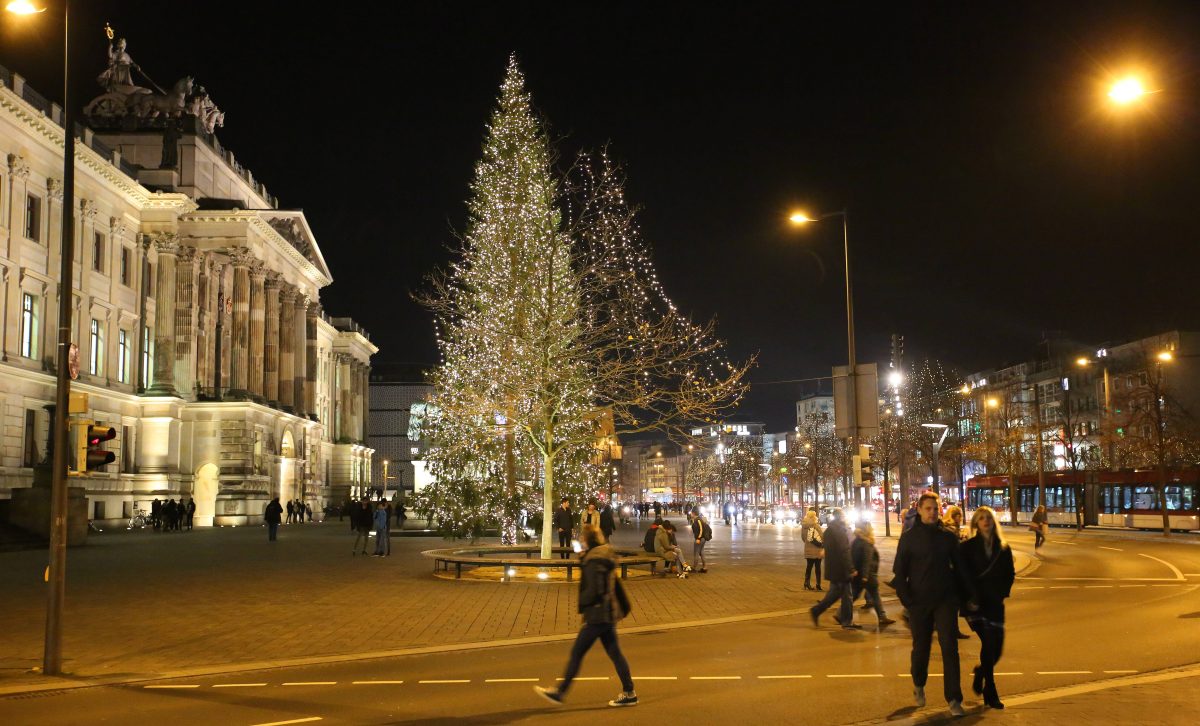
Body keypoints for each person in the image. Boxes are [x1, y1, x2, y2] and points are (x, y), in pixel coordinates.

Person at [535, 525, 637, 707]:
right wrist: (585, 561)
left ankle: (560, 692)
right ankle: (629, 692)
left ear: (588, 540)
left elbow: (594, 588)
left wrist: (584, 601)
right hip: (608, 613)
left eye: (582, 538)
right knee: (615, 653)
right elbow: (608, 582)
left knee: (577, 653)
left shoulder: (594, 559)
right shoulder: (603, 555)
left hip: (597, 615)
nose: (581, 541)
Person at [893, 491, 974, 717]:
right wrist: (907, 600)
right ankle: (919, 683)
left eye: (935, 509)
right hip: (919, 602)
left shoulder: (947, 537)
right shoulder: (909, 538)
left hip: (945, 600)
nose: (932, 513)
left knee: (950, 649)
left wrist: (967, 595)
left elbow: (960, 569)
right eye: (927, 508)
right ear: (919, 510)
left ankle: (954, 699)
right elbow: (900, 572)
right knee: (921, 648)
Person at [961, 506, 1015, 710]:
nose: (985, 521)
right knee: (989, 642)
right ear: (976, 522)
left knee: (996, 649)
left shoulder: (1003, 547)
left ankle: (981, 672)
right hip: (975, 604)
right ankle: (990, 692)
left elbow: (1010, 573)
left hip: (995, 603)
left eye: (989, 518)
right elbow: (962, 576)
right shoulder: (967, 547)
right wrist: (969, 598)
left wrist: (1002, 593)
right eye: (981, 518)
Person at [809, 508, 859, 629]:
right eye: (844, 516)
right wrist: (851, 568)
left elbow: (827, 547)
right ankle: (847, 622)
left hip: (832, 567)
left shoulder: (830, 530)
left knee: (834, 594)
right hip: (841, 568)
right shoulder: (840, 531)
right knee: (847, 596)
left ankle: (816, 611)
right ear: (841, 517)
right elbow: (844, 551)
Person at [851, 521, 896, 628]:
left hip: (859, 573)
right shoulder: (867, 542)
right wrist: (865, 576)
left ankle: (840, 614)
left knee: (855, 595)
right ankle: (882, 616)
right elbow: (867, 560)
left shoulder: (856, 540)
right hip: (868, 575)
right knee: (874, 594)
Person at [801, 509, 824, 591]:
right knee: (818, 568)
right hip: (817, 550)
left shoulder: (804, 527)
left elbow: (803, 538)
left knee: (809, 567)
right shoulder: (816, 526)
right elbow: (822, 537)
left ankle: (806, 583)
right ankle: (818, 584)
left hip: (808, 549)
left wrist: (808, 543)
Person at [690, 507, 711, 573]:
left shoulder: (698, 520)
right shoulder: (697, 519)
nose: (690, 514)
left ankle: (694, 567)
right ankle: (705, 567)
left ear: (693, 513)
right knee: (701, 552)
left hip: (700, 539)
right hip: (702, 538)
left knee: (696, 553)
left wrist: (698, 538)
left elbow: (701, 530)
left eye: (691, 513)